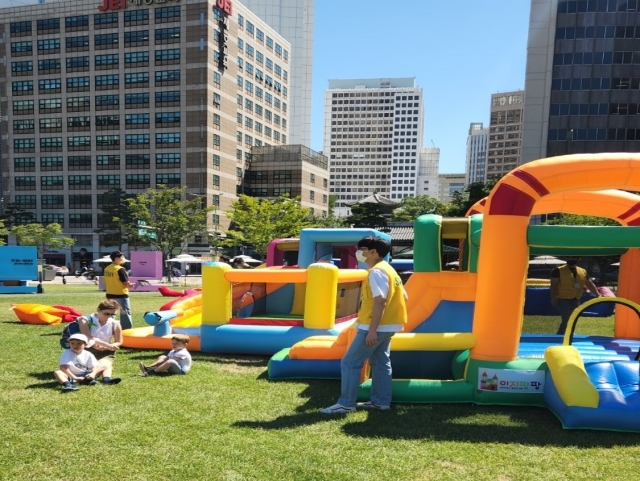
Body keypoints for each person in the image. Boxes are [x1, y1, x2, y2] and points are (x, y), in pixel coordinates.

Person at [320, 236, 408, 414]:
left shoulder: (376, 272)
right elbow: (404, 296)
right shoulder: (389, 269)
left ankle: (346, 404)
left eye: (361, 249)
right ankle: (380, 402)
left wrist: (372, 330)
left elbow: (380, 301)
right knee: (381, 362)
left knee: (350, 362)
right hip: (390, 325)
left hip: (373, 326)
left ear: (373, 252)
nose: (358, 252)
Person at [550, 256, 601, 335]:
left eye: (573, 258)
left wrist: (598, 295)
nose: (571, 259)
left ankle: (566, 335)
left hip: (576, 298)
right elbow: (553, 285)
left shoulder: (583, 271)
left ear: (578, 259)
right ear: (566, 259)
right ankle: (563, 335)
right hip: (563, 298)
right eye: (569, 258)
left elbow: (590, 284)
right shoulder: (558, 270)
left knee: (573, 318)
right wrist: (553, 298)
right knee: (567, 319)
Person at [77, 299, 123, 385]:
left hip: (106, 352)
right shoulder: (85, 320)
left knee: (105, 364)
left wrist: (112, 346)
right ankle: (104, 379)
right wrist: (106, 345)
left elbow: (119, 341)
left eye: (112, 314)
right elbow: (88, 337)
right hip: (87, 351)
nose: (109, 316)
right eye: (106, 313)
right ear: (98, 310)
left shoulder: (115, 323)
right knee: (105, 366)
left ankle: (91, 378)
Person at [104, 250, 134, 330]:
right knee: (125, 312)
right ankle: (126, 329)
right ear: (117, 258)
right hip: (121, 294)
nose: (123, 259)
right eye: (122, 257)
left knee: (111, 312)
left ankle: (109, 328)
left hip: (110, 293)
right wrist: (130, 285)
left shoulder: (107, 268)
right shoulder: (120, 269)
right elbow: (125, 282)